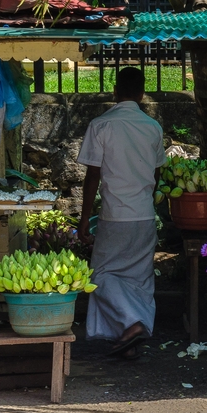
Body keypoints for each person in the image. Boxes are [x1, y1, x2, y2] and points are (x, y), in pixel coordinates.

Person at [77, 67, 165, 358]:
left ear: (115, 91)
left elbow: (93, 176)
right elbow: (156, 174)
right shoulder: (153, 127)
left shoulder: (101, 125)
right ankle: (129, 337)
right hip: (144, 214)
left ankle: (131, 324)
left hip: (115, 215)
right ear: (142, 94)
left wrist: (83, 218)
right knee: (138, 280)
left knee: (99, 275)